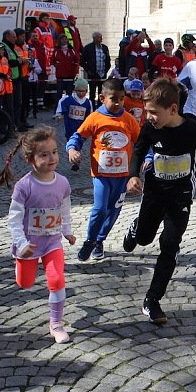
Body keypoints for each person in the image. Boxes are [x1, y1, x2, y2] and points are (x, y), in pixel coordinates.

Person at [123, 78, 196, 324]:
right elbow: (137, 150)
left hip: (180, 196)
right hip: (154, 192)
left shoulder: (194, 129)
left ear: (173, 109)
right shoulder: (150, 128)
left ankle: (152, 299)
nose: (150, 117)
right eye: (147, 112)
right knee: (144, 238)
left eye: (154, 112)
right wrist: (133, 175)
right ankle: (136, 228)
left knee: (170, 244)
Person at [0, 126, 76, 344]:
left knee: (57, 280)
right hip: (28, 245)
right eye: (44, 154)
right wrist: (21, 243)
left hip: (52, 243)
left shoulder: (62, 183)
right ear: (30, 159)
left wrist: (67, 231)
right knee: (25, 283)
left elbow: (64, 209)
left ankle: (56, 323)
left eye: (54, 152)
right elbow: (13, 219)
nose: (51, 158)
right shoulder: (24, 186)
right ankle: (22, 268)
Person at [66, 78, 141, 261]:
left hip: (122, 176)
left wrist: (147, 159)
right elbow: (78, 136)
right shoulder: (95, 118)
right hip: (101, 175)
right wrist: (72, 149)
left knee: (113, 210)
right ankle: (90, 241)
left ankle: (100, 240)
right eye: (114, 99)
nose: (118, 103)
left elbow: (141, 143)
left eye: (122, 99)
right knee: (100, 209)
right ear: (102, 98)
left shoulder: (129, 120)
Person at [54, 77, 92, 172]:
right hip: (69, 127)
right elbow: (61, 105)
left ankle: (76, 161)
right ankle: (75, 159)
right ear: (75, 90)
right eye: (79, 91)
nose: (81, 93)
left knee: (78, 144)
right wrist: (59, 115)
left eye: (84, 91)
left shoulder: (88, 103)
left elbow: (90, 115)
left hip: (81, 129)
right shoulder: (68, 99)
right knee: (70, 142)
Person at [80, 31, 111, 105]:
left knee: (102, 93)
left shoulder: (104, 48)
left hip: (102, 74)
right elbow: (82, 61)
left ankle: (101, 107)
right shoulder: (88, 48)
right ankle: (92, 108)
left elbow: (107, 59)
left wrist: (107, 69)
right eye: (99, 37)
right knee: (92, 93)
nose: (101, 39)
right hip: (93, 74)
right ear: (94, 38)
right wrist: (88, 70)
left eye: (101, 37)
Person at [52, 34, 80, 104]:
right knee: (59, 94)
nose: (64, 41)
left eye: (65, 39)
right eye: (62, 39)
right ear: (60, 40)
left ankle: (68, 110)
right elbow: (52, 61)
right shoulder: (56, 50)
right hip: (60, 76)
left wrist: (75, 71)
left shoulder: (72, 50)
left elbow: (77, 60)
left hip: (70, 76)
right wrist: (57, 66)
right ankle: (57, 111)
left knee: (69, 95)